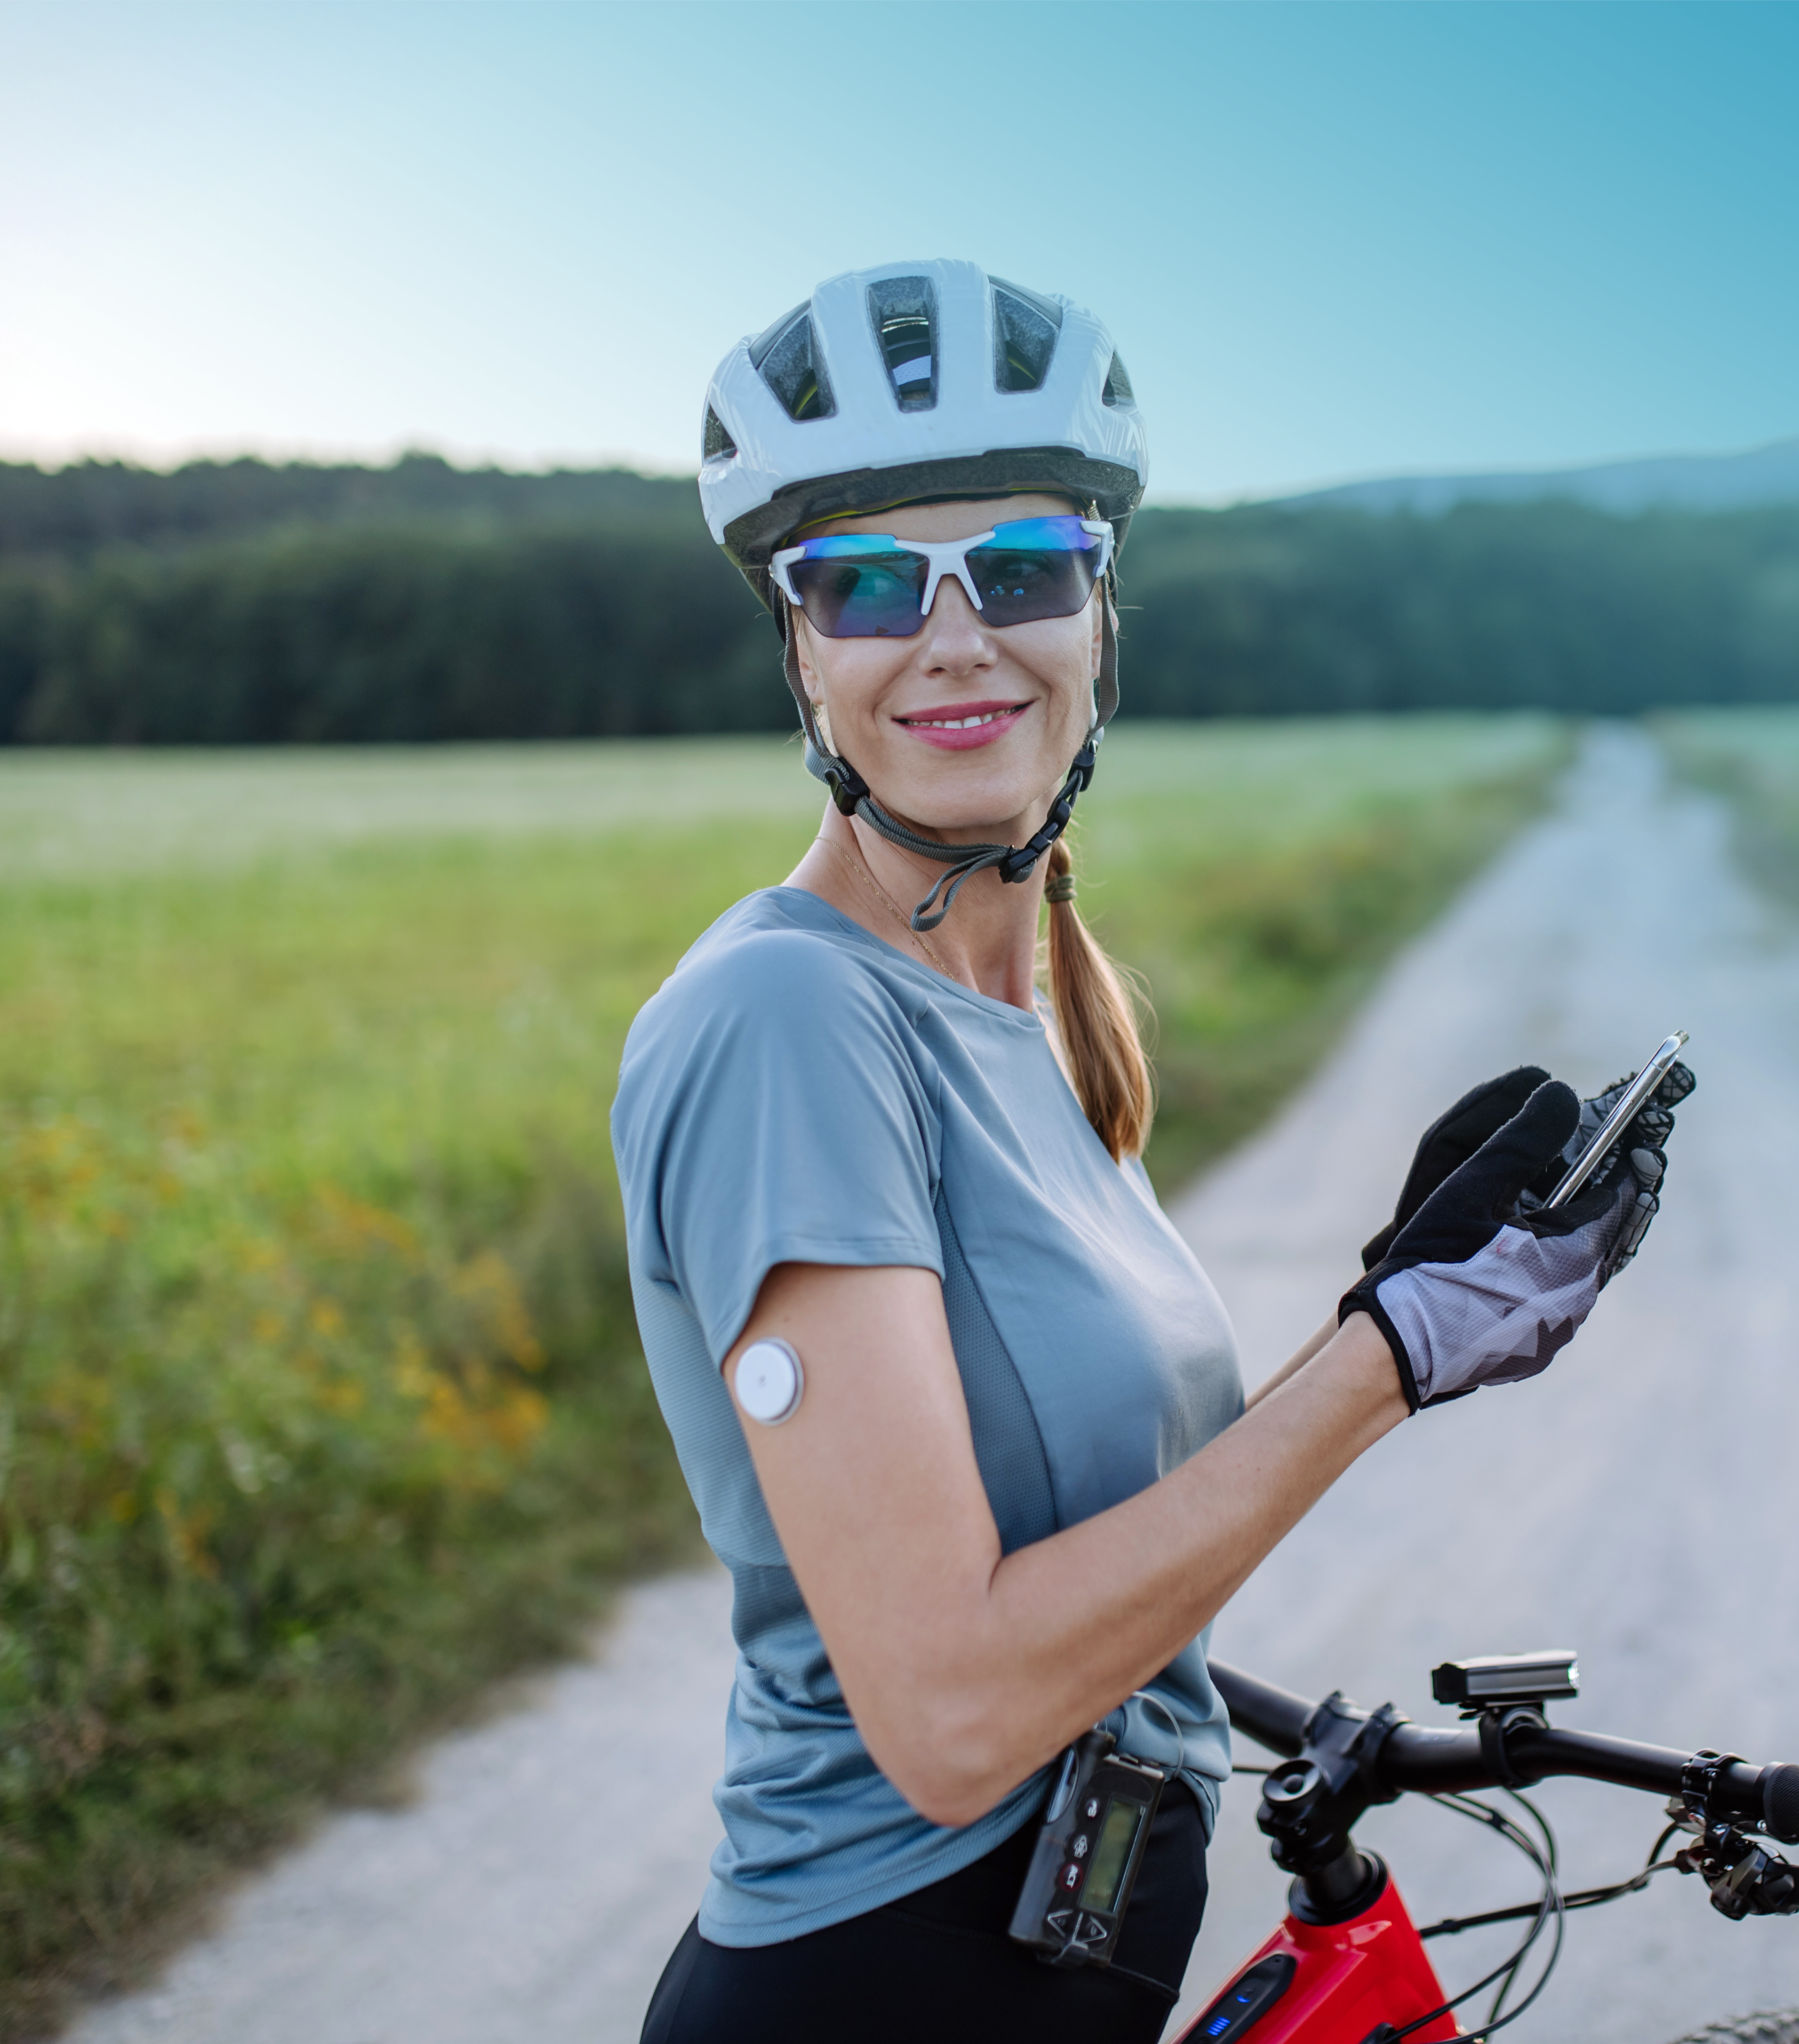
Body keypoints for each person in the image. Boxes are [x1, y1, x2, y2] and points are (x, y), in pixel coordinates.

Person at [611, 260, 1685, 2044]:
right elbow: (951, 1713)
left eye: (1020, 567)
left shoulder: (1029, 1020)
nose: (954, 637)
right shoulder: (785, 1028)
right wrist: (1392, 1355)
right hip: (888, 1985)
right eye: (870, 581)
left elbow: (1066, 1514)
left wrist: (1390, 1297)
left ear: (1100, 615)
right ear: (799, 646)